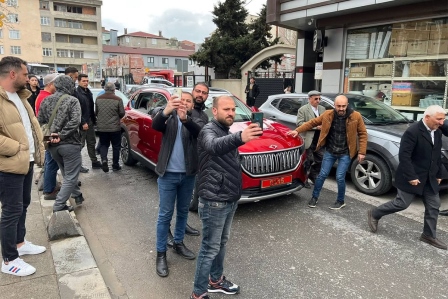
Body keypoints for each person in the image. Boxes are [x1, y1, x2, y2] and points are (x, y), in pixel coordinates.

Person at [191, 95, 262, 299]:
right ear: (214, 111)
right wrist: (240, 137)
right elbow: (214, 146)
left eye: (233, 109)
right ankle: (198, 293)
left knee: (221, 243)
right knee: (209, 248)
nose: (231, 113)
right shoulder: (208, 130)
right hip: (214, 200)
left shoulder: (224, 129)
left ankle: (215, 280)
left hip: (228, 197)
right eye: (226, 110)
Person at [367, 105, 447, 250]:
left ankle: (428, 235)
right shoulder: (413, 132)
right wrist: (411, 176)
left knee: (434, 205)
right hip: (412, 176)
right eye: (439, 119)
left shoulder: (437, 131)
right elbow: (404, 156)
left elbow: (436, 155)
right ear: (427, 117)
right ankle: (374, 213)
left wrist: (439, 174)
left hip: (429, 177)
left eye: (443, 119)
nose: (442, 122)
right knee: (402, 204)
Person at [0, 56, 46, 277]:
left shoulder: (20, 96)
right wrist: (18, 147)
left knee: (23, 204)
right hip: (8, 164)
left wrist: (43, 141)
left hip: (25, 161)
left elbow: (28, 127)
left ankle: (19, 243)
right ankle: (9, 260)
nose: (29, 78)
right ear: (12, 74)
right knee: (11, 211)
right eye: (26, 74)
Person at [152, 91, 203, 277]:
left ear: (191, 105)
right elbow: (155, 125)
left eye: (188, 101)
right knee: (165, 215)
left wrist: (186, 119)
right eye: (182, 100)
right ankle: (161, 254)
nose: (185, 103)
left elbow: (200, 133)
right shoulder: (168, 117)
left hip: (188, 175)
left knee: (182, 212)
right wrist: (166, 111)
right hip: (167, 175)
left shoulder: (196, 119)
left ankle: (179, 243)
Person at [287, 95, 367, 209]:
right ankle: (314, 197)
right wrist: (297, 131)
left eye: (343, 106)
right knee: (322, 175)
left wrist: (362, 152)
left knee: (340, 177)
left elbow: (363, 134)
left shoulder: (356, 116)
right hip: (330, 151)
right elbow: (312, 122)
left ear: (347, 105)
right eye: (338, 106)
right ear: (334, 105)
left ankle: (340, 201)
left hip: (345, 152)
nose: (341, 108)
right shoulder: (328, 114)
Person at [167, 83, 211, 247]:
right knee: (168, 206)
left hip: (194, 162)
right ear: (192, 93)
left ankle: (181, 225)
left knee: (184, 202)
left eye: (204, 93)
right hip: (175, 162)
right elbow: (158, 118)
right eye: (197, 91)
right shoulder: (177, 111)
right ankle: (167, 232)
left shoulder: (204, 115)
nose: (200, 94)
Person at [38, 75, 84, 212]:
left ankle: (77, 195)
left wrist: (50, 138)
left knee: (66, 172)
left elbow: (39, 123)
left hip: (52, 146)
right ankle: (59, 206)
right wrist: (61, 135)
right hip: (70, 144)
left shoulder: (46, 100)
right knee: (71, 176)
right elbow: (75, 121)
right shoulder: (72, 100)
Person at [35, 73, 61, 201]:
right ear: (51, 84)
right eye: (56, 83)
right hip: (48, 133)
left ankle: (48, 186)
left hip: (46, 132)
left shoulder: (43, 96)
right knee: (52, 161)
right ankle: (49, 190)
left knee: (50, 160)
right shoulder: (46, 98)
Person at [296, 90, 326, 191]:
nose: (318, 101)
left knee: (321, 159)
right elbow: (300, 123)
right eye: (316, 99)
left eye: (319, 99)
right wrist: (315, 127)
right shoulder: (303, 110)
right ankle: (304, 179)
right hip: (308, 139)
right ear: (309, 99)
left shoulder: (323, 109)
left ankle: (313, 175)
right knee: (308, 161)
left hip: (319, 140)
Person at [95, 82, 125, 172]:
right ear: (114, 89)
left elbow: (96, 112)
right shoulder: (118, 99)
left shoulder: (98, 99)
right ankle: (115, 165)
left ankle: (104, 160)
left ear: (104, 89)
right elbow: (122, 113)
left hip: (102, 127)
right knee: (116, 146)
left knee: (104, 144)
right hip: (115, 127)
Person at [75, 74, 102, 170]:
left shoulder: (88, 92)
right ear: (78, 81)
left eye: (87, 81)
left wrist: (94, 120)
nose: (86, 83)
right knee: (80, 145)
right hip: (82, 123)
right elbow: (77, 110)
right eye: (84, 81)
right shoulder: (76, 93)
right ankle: (78, 165)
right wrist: (83, 122)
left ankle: (94, 161)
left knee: (92, 142)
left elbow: (90, 108)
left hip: (90, 121)